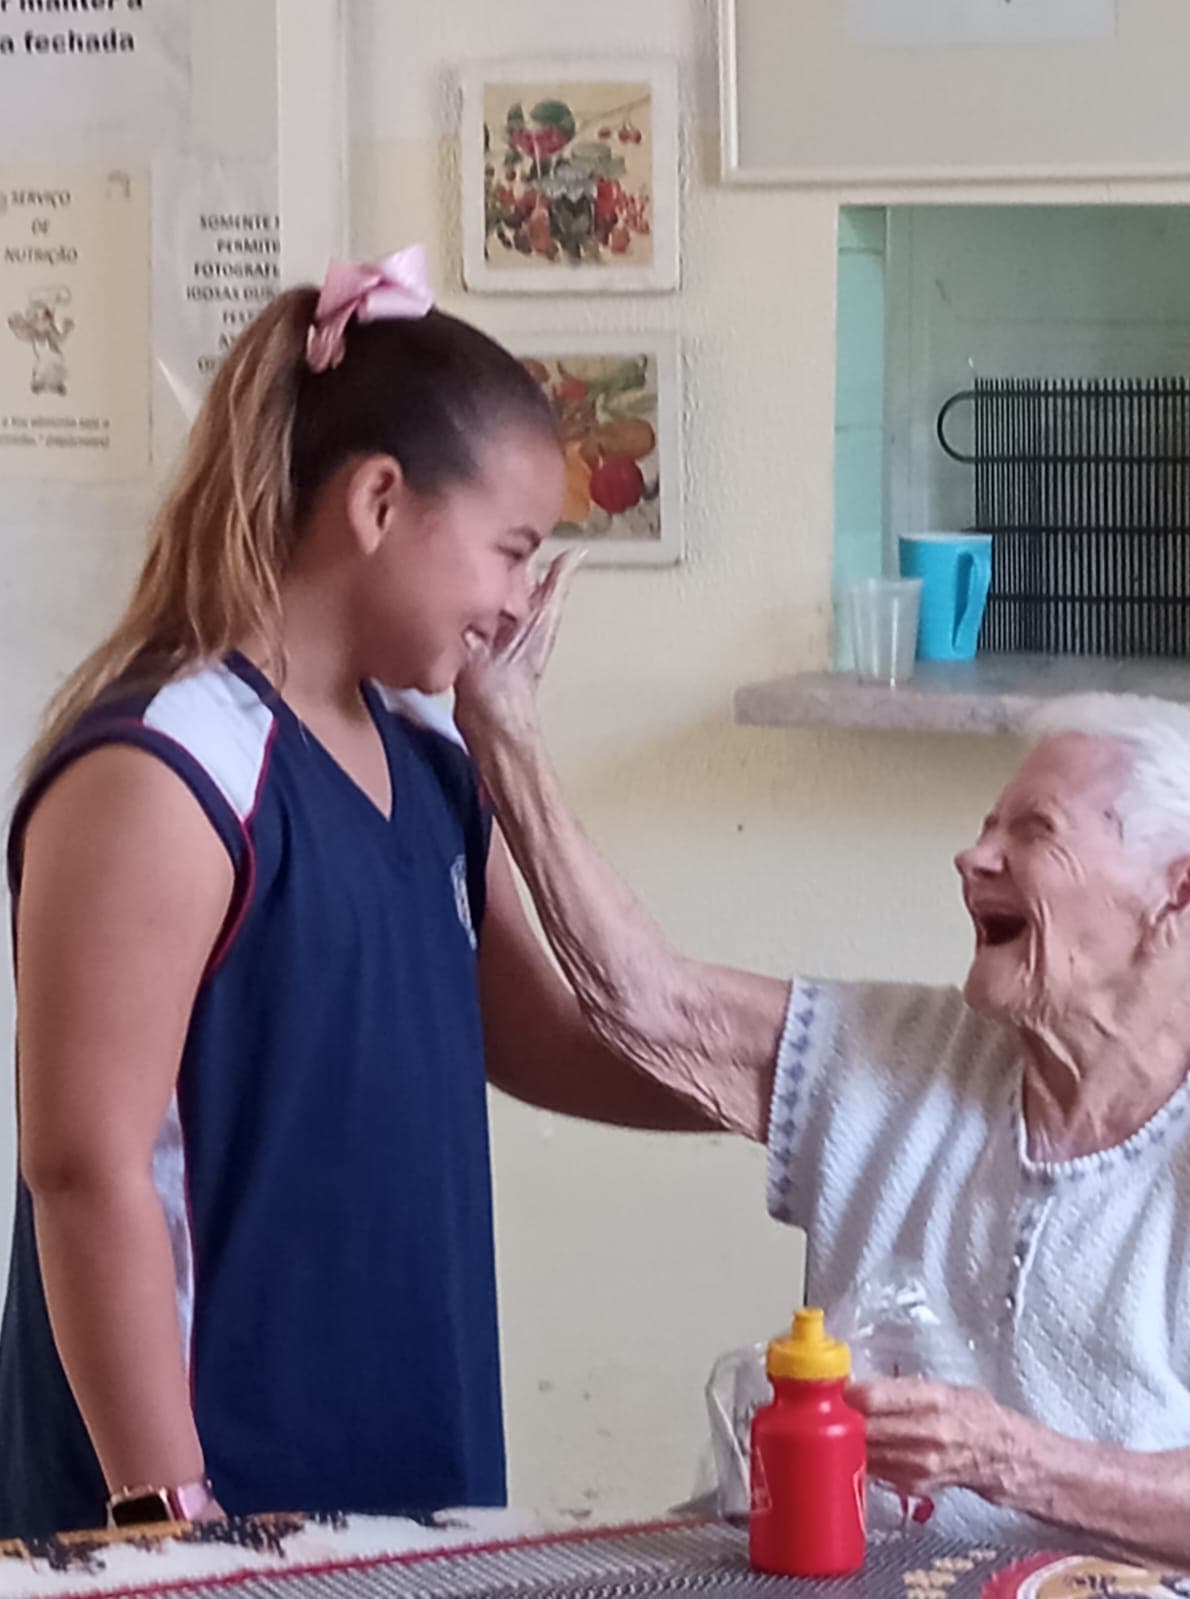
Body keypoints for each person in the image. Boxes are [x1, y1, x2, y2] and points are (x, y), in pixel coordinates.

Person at [0, 246, 716, 1542]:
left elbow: (540, 1031)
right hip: (199, 1474)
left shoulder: (432, 761)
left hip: (399, 1422)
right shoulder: (165, 770)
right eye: (511, 551)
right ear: (380, 500)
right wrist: (167, 1514)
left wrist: (822, 1102)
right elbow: (82, 1163)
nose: (518, 606)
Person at [454, 585, 1190, 1563]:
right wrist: (498, 738)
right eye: (988, 824)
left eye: (1034, 832)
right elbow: (650, 1004)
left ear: (1176, 890)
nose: (973, 857)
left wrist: (1012, 1458)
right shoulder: (897, 1050)